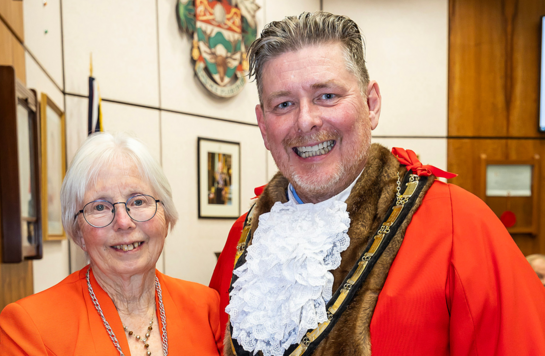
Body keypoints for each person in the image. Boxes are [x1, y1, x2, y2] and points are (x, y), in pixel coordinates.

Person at [209, 11, 545, 356]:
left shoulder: (461, 226)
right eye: (283, 104)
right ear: (264, 127)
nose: (306, 120)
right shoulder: (243, 236)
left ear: (371, 105)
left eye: (326, 96)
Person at [0, 132, 223, 356]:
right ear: (79, 232)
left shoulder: (206, 306)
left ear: (166, 216)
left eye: (138, 201)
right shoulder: (32, 325)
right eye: (100, 207)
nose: (123, 222)